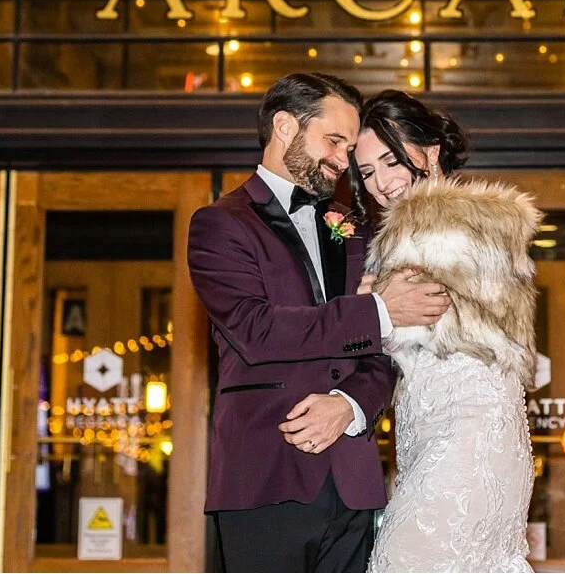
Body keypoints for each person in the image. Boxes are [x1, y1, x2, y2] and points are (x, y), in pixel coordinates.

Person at [187, 73, 453, 573]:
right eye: (333, 141)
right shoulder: (219, 224)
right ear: (285, 127)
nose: (341, 159)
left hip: (353, 483)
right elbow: (256, 330)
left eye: (348, 148)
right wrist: (378, 311)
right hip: (265, 479)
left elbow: (385, 350)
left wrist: (350, 405)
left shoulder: (355, 226)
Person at [352, 90, 541, 574]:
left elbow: (424, 318)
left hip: (469, 430)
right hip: (430, 431)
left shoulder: (446, 222)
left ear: (431, 151)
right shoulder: (416, 231)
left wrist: (364, 307)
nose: (382, 182)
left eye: (392, 160)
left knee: (401, 564)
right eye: (368, 171)